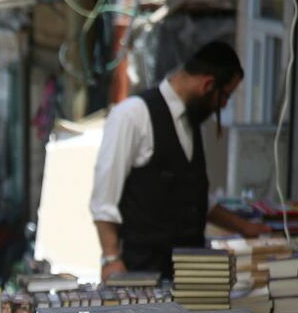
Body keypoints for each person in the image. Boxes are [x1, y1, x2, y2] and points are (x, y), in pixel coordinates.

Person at [90, 40, 269, 281]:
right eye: (225, 96)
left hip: (188, 276)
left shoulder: (191, 122)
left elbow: (194, 196)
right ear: (208, 84)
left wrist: (243, 227)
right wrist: (111, 259)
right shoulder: (132, 115)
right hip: (143, 273)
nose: (223, 105)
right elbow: (104, 199)